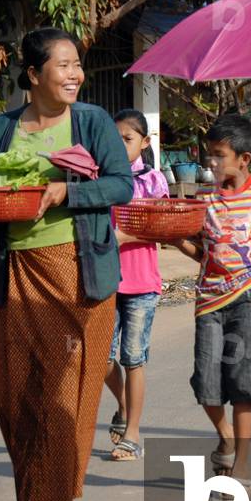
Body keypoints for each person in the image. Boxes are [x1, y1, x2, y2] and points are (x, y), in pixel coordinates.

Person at [0, 27, 133, 501]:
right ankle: (36, 485)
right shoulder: (1, 129)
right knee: (13, 389)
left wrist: (67, 192)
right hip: (18, 271)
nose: (75, 75)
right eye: (63, 65)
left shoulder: (92, 122)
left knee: (68, 390)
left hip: (79, 271)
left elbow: (121, 184)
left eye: (77, 65)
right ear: (33, 74)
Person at [176, 114, 251, 492]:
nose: (211, 161)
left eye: (219, 155)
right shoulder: (203, 200)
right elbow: (202, 253)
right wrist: (177, 241)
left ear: (244, 159)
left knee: (243, 386)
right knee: (206, 384)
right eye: (208, 153)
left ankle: (240, 467)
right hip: (209, 303)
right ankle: (224, 434)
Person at [103, 110, 170, 461]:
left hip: (142, 283)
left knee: (133, 359)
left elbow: (163, 228)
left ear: (144, 142)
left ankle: (132, 434)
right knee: (101, 357)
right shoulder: (101, 178)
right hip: (106, 281)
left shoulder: (154, 181)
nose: (120, 145)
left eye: (127, 139)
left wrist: (124, 237)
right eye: (114, 139)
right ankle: (124, 404)